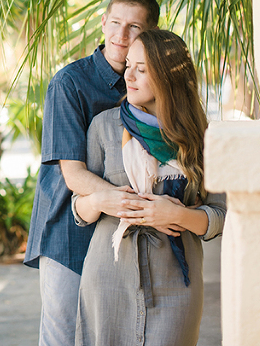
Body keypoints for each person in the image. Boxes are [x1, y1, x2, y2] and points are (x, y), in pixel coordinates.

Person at [72, 30, 227, 346]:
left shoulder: (203, 138)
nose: (128, 75)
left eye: (141, 69)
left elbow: (221, 217)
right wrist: (102, 199)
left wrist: (175, 214)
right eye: (128, 64)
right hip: (107, 277)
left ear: (169, 77)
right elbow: (79, 210)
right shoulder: (104, 126)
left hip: (176, 286)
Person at [25, 0, 160, 346]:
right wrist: (131, 204)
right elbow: (73, 175)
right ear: (103, 23)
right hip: (67, 234)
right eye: (115, 23)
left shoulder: (152, 85)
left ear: (149, 34)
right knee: (63, 338)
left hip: (120, 236)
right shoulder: (69, 84)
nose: (121, 35)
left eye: (134, 27)